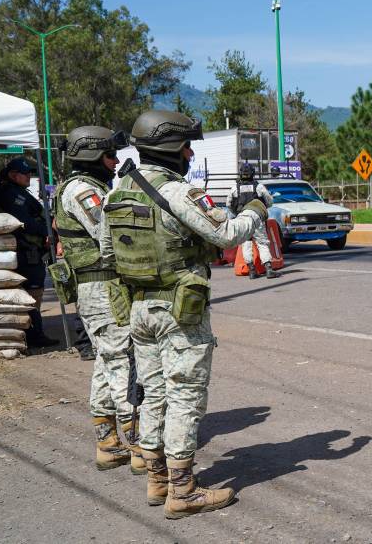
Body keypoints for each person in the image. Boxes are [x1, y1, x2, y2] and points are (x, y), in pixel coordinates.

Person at [101, 110, 266, 518]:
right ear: (171, 148)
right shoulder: (178, 192)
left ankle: (157, 480)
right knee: (184, 395)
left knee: (153, 393)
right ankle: (183, 490)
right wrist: (256, 210)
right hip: (179, 311)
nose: (190, 154)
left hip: (138, 308)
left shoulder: (115, 194)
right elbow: (225, 234)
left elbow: (107, 253)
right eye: (187, 146)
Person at [54, 126, 145, 473]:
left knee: (107, 364)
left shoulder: (89, 187)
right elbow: (110, 231)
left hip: (102, 289)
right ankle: (140, 447)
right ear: (92, 156)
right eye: (110, 155)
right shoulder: (82, 190)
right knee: (122, 362)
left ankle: (108, 444)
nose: (116, 161)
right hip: (102, 289)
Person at [0, 157, 58, 349]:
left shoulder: (17, 191)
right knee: (32, 293)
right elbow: (24, 222)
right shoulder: (11, 194)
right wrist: (46, 232)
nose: (29, 176)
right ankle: (34, 335)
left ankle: (32, 332)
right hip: (26, 251)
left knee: (33, 293)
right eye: (25, 173)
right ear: (13, 175)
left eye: (30, 172)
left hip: (29, 250)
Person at [226, 164, 278, 279]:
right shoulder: (258, 187)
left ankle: (252, 271)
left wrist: (237, 214)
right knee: (262, 242)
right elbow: (269, 201)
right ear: (253, 173)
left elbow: (229, 205)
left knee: (246, 243)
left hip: (242, 218)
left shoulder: (235, 188)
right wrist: (262, 208)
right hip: (257, 216)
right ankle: (269, 269)